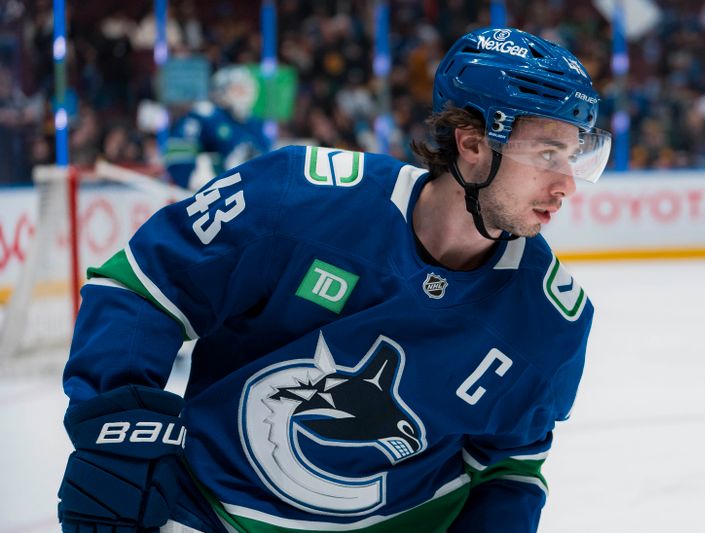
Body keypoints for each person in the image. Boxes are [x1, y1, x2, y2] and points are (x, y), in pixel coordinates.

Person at [57, 27, 611, 533]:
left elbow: (508, 469)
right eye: (546, 153)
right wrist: (117, 436)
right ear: (470, 143)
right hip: (209, 512)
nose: (566, 184)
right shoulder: (294, 197)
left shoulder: (552, 321)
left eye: (573, 157)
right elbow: (144, 287)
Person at [164, 64, 271, 190]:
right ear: (222, 90)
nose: (244, 95)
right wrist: (190, 178)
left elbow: (266, 161)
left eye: (247, 89)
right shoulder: (205, 115)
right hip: (210, 196)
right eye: (238, 89)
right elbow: (178, 155)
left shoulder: (254, 123)